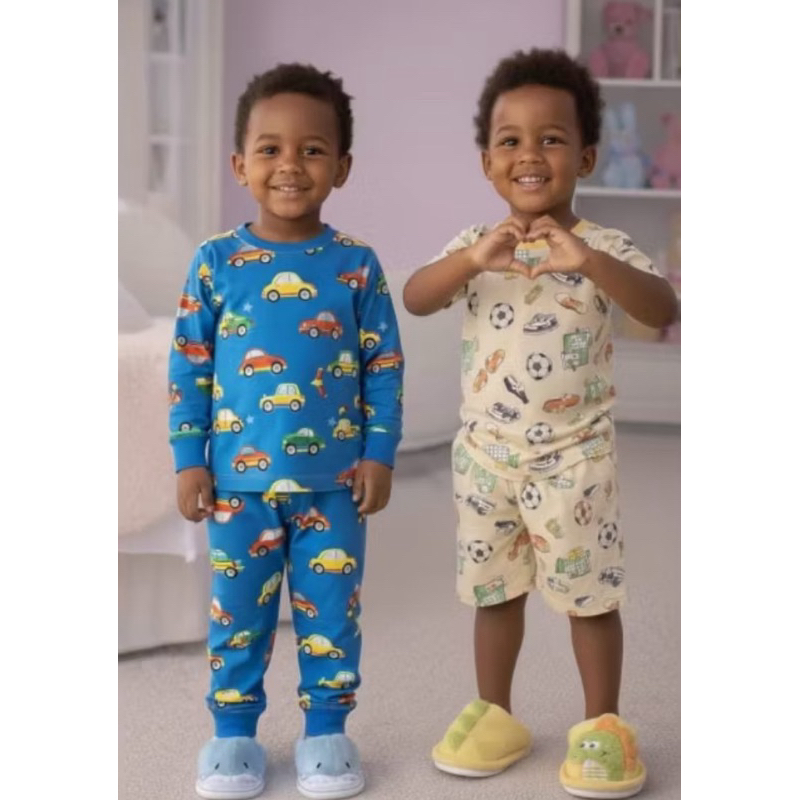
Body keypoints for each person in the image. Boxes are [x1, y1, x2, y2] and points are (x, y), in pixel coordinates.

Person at [402, 48, 677, 799]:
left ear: (584, 156)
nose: (530, 154)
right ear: (488, 162)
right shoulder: (476, 247)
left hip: (574, 462)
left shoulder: (602, 249)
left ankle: (603, 724)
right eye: (511, 140)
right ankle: (496, 713)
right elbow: (417, 297)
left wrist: (587, 262)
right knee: (494, 593)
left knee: (591, 596)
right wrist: (470, 261)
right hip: (485, 460)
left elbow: (662, 309)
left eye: (551, 139)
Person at [168, 62, 404, 800]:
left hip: (335, 485)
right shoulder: (215, 263)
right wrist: (189, 458)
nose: (290, 166)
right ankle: (233, 735)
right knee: (237, 614)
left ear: (342, 167)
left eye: (312, 150)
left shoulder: (356, 267)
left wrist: (380, 453)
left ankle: (326, 731)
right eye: (270, 149)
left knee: (331, 614)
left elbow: (384, 367)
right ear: (240, 165)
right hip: (236, 486)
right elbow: (189, 368)